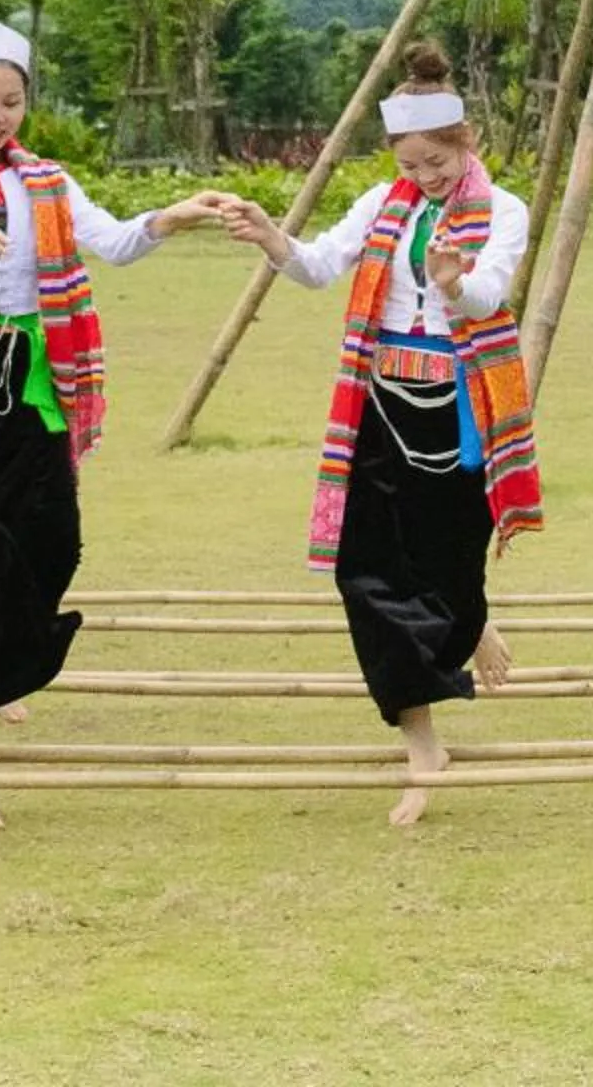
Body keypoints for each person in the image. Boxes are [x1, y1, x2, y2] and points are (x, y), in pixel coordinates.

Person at [0, 22, 231, 829]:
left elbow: (113, 242)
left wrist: (176, 216)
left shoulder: (48, 183)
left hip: (31, 378)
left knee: (51, 540)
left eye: (10, 102)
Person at [218, 41, 543, 827]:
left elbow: (489, 295)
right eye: (411, 162)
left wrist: (454, 280)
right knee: (364, 572)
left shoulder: (504, 211)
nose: (425, 176)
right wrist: (273, 239)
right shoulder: (381, 204)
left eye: (436, 159)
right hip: (380, 405)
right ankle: (422, 743)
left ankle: (472, 619)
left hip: (459, 408)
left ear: (466, 141)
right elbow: (322, 265)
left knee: (449, 570)